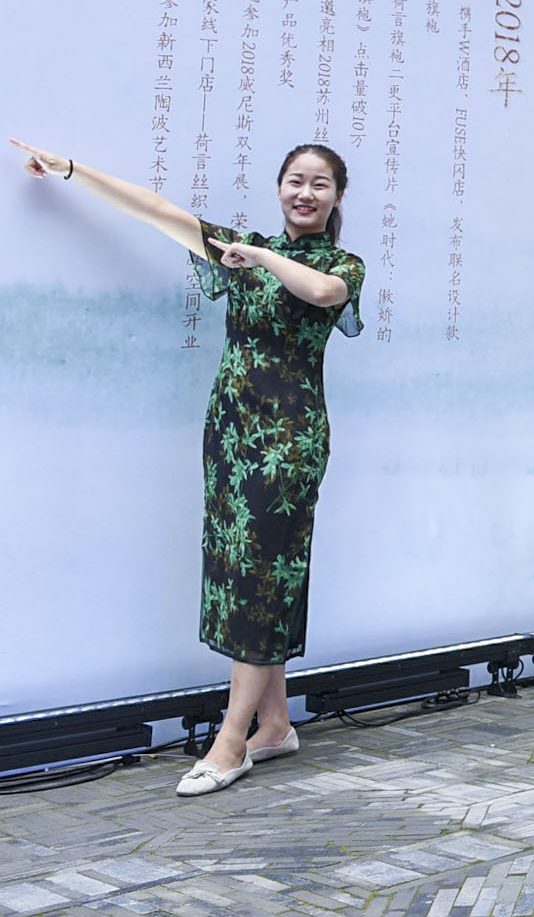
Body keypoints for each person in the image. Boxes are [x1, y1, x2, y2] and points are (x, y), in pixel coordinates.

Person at [15, 138, 363, 796]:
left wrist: (261, 256)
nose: (305, 193)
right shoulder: (238, 248)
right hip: (230, 435)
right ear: (279, 186)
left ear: (337, 196)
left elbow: (320, 292)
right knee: (245, 574)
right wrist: (70, 169)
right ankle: (275, 725)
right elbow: (155, 210)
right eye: (295, 180)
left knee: (263, 576)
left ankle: (230, 743)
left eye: (320, 184)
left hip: (288, 443)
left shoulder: (340, 263)